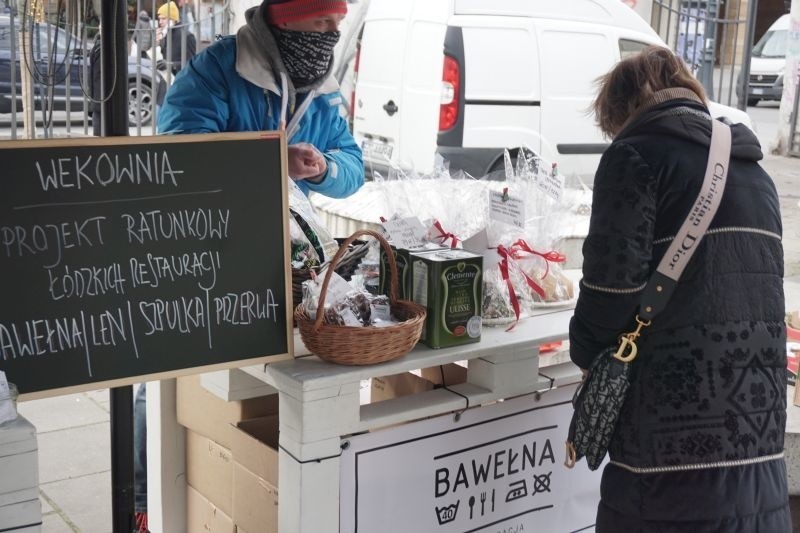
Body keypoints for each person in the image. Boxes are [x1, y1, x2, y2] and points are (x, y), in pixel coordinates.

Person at [569, 46, 789, 531]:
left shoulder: (635, 156)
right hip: (758, 434)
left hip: (669, 446)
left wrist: (585, 351)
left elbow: (609, 295)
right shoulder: (756, 174)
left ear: (621, 111)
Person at [156, 0, 364, 200]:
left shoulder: (324, 89)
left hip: (288, 230)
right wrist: (272, 162)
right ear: (285, 18)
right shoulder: (215, 70)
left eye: (339, 22)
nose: (334, 34)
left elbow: (353, 165)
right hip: (217, 227)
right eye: (322, 21)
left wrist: (324, 168)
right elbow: (179, 158)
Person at [156, 1, 196, 75]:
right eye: (159, 19)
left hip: (181, 80)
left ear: (173, 19)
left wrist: (171, 65)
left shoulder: (187, 36)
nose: (160, 22)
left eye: (163, 19)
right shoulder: (165, 34)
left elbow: (191, 63)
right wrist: (158, 42)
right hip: (166, 78)